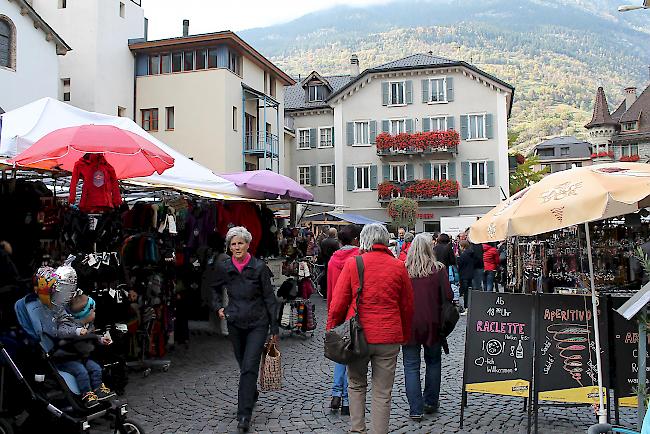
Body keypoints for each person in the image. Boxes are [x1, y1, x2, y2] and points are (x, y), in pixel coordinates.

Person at [327, 223, 414, 434]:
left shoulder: (353, 264)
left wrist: (331, 331)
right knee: (383, 392)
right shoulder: (398, 266)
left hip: (358, 336)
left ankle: (358, 430)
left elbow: (338, 303)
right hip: (389, 336)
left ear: (363, 240)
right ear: (386, 241)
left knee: (356, 385)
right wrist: (404, 335)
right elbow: (407, 306)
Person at [212, 226, 279, 433]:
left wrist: (274, 328)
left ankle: (244, 415)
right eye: (233, 244)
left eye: (240, 243)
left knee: (249, 366)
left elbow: (270, 298)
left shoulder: (259, 267)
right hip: (235, 322)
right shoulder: (224, 267)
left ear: (248, 244)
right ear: (229, 247)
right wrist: (219, 307)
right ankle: (252, 392)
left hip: (258, 323)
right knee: (243, 364)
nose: (237, 247)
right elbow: (213, 288)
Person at [402, 234, 453, 421]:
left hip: (409, 324)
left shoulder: (404, 270)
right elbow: (448, 296)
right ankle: (430, 402)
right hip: (433, 323)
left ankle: (415, 409)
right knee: (433, 362)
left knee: (411, 366)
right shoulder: (438, 270)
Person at [326, 224, 362, 416]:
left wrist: (332, 314)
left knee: (340, 354)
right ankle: (347, 400)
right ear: (356, 240)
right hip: (355, 311)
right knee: (353, 357)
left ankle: (336, 393)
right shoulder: (359, 258)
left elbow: (331, 289)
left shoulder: (333, 261)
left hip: (337, 310)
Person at [318, 227, 340, 294]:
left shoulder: (323, 241)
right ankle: (330, 291)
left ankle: (324, 291)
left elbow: (321, 252)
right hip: (333, 261)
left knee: (325, 275)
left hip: (325, 260)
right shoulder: (336, 242)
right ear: (334, 234)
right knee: (332, 277)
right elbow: (338, 252)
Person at [457, 240, 475, 313]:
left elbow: (460, 264)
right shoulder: (471, 253)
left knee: (466, 292)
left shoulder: (464, 255)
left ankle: (466, 307)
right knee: (469, 291)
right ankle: (469, 306)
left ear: (463, 246)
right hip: (470, 274)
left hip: (464, 275)